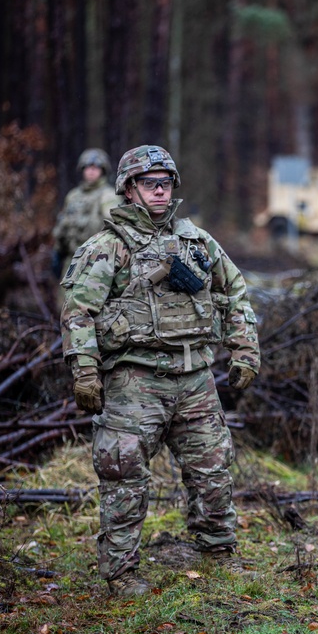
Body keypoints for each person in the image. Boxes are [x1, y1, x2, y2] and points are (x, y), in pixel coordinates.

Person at [60, 145, 261, 596]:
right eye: (150, 183)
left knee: (213, 467)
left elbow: (235, 294)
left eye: (165, 183)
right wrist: (86, 373)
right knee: (123, 472)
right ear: (129, 190)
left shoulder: (197, 242)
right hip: (135, 379)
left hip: (194, 376)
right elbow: (77, 313)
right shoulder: (106, 248)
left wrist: (245, 351)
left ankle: (218, 551)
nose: (160, 190)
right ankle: (120, 573)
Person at [52, 148, 119, 281]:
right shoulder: (73, 196)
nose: (91, 171)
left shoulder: (108, 196)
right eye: (88, 167)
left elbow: (115, 228)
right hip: (71, 259)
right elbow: (63, 225)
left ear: (103, 170)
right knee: (66, 299)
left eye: (96, 167)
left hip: (97, 261)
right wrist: (57, 252)